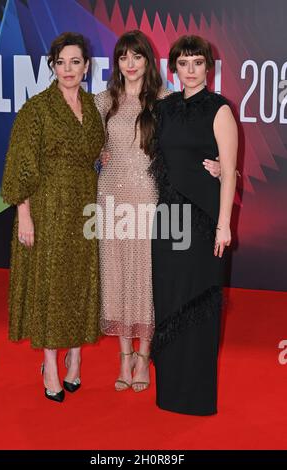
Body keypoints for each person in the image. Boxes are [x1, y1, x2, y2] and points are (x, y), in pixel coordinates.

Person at [94, 30, 221, 392]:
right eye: (123, 57)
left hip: (151, 199)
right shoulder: (104, 101)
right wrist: (97, 156)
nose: (131, 64)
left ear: (149, 61)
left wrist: (225, 167)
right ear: (116, 63)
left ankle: (145, 354)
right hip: (111, 200)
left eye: (138, 57)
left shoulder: (166, 100)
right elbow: (87, 145)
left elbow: (191, 141)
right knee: (116, 275)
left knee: (148, 277)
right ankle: (123, 356)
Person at [1, 32, 104, 402]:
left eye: (75, 62)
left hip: (85, 206)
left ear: (86, 66)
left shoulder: (93, 107)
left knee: (80, 281)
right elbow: (20, 165)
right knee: (51, 285)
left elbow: (101, 153)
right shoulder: (37, 109)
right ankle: (49, 363)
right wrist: (24, 214)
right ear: (52, 66)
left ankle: (74, 357)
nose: (68, 69)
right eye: (61, 62)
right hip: (47, 206)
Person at [149, 35, 238, 415]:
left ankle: (196, 395)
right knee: (168, 301)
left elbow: (230, 172)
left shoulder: (220, 109)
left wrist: (224, 225)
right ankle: (169, 390)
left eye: (197, 63)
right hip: (168, 218)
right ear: (174, 68)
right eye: (183, 63)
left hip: (202, 222)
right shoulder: (164, 108)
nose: (190, 70)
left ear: (208, 67)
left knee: (197, 302)